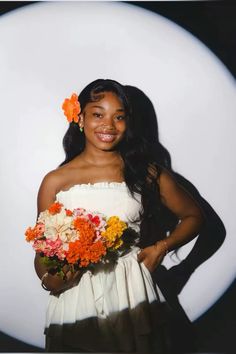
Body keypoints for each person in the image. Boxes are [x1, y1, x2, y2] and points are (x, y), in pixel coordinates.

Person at [34, 79, 204, 353]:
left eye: (119, 117)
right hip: (76, 296)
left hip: (132, 292)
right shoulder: (55, 181)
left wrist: (161, 249)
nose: (108, 125)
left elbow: (194, 216)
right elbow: (43, 250)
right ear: (80, 117)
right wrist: (50, 278)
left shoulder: (146, 172)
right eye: (98, 114)